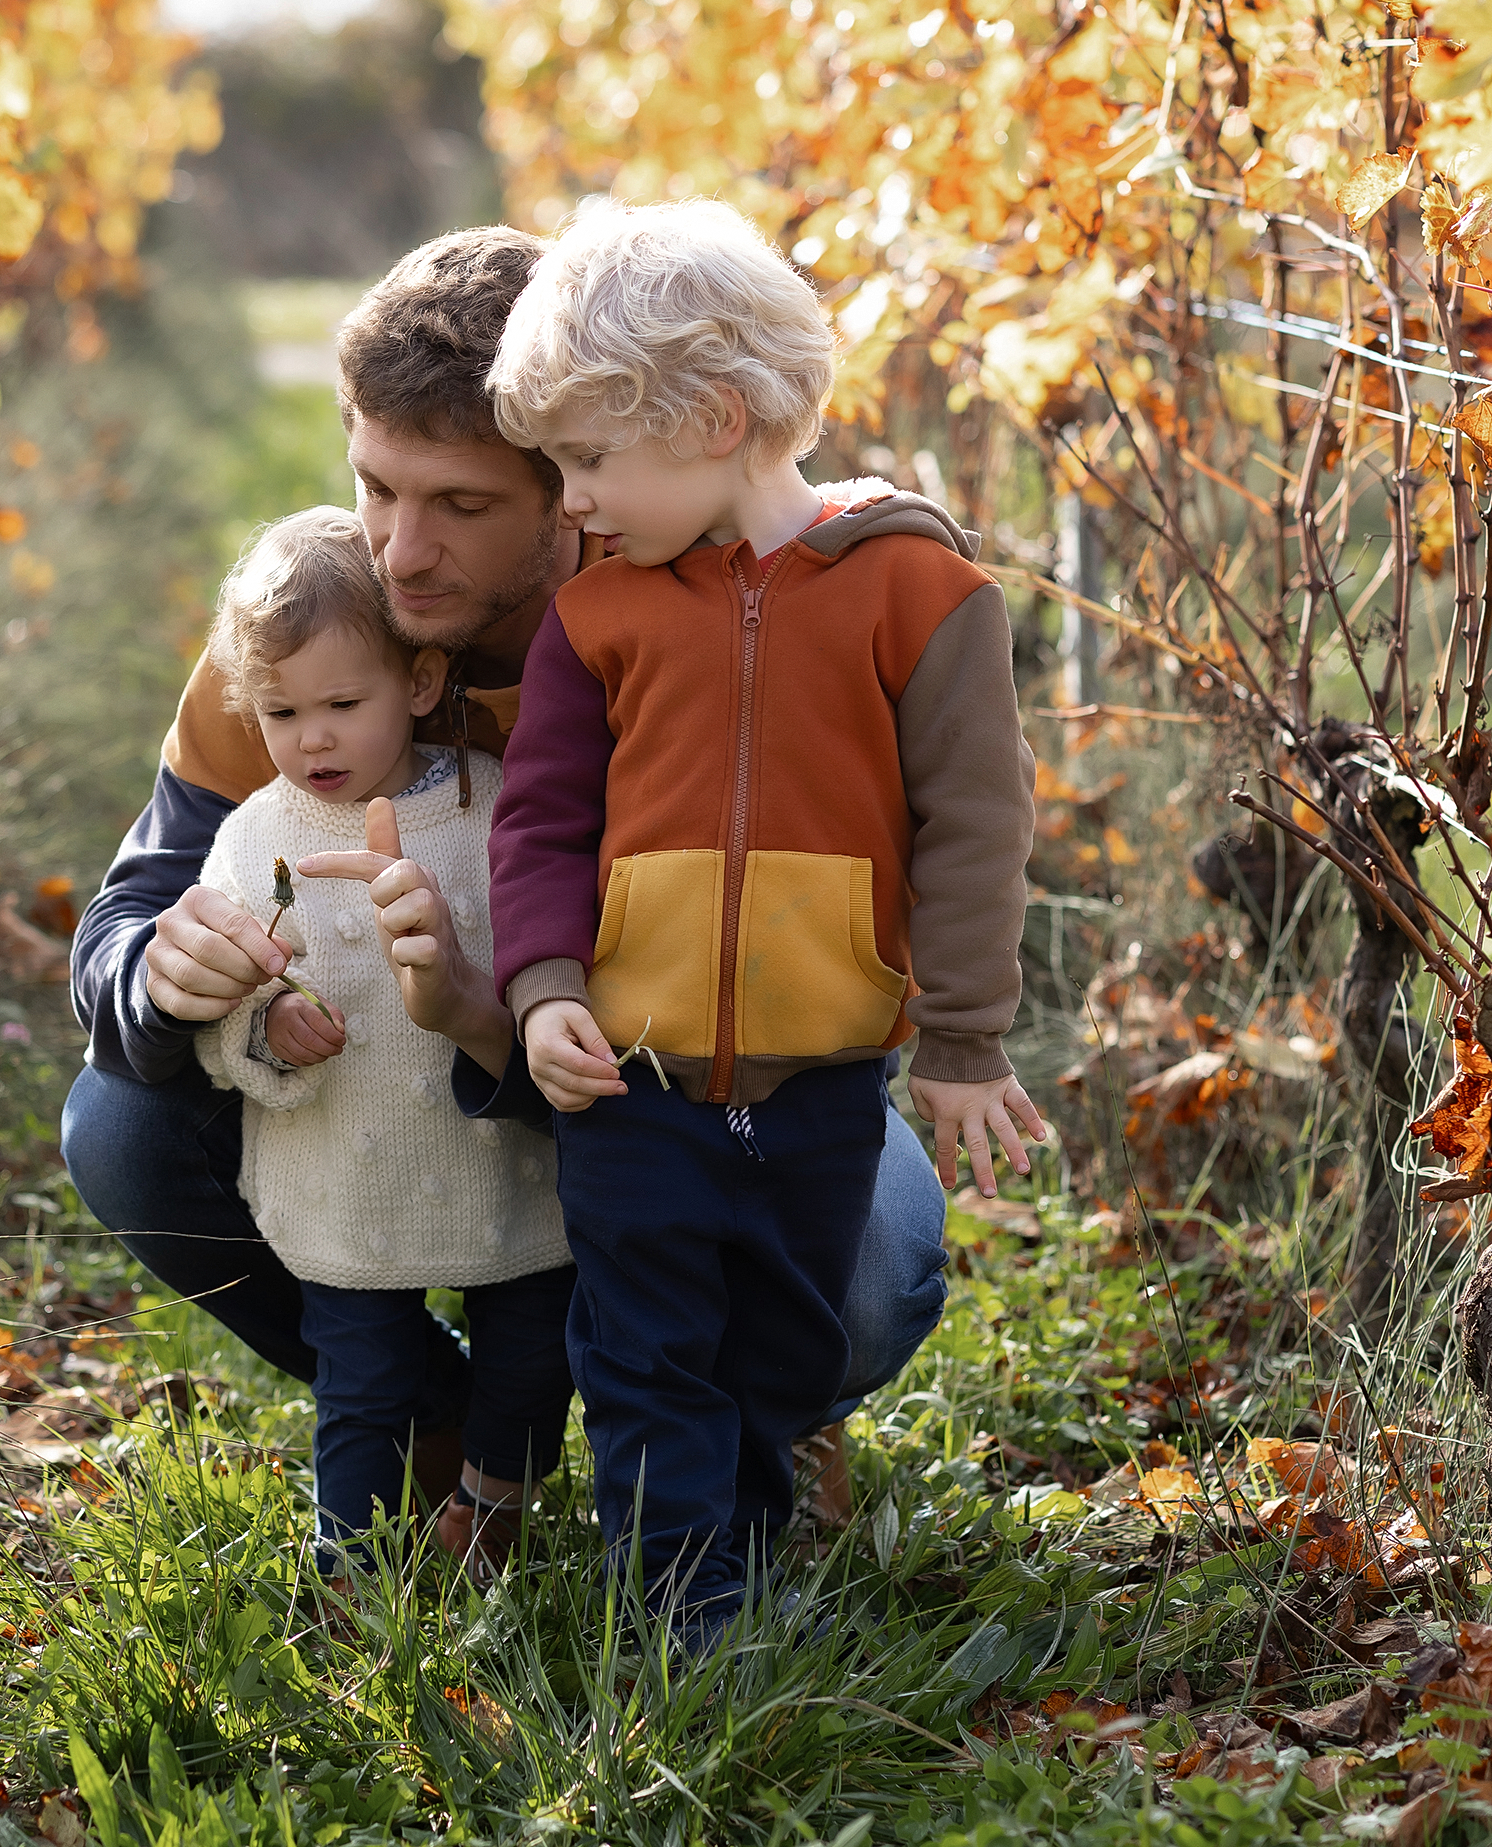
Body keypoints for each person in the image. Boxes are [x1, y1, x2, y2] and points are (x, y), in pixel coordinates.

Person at [64, 225, 952, 1523]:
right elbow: (123, 920)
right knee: (121, 1131)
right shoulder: (300, 645)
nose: (399, 552)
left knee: (866, 1276)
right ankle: (437, 1416)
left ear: (571, 493)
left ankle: (750, 1414)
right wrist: (159, 971)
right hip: (370, 1093)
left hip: (663, 1083)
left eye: (461, 507)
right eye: (375, 487)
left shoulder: (701, 634)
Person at [484, 199, 1044, 1646]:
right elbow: (541, 820)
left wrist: (967, 1035)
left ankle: (749, 1530)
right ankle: (686, 1614)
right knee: (647, 1345)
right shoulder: (596, 619)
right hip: (636, 1077)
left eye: (591, 460)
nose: (574, 501)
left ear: (718, 416)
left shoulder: (923, 595)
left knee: (786, 1345)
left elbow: (978, 824)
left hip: (823, 1082)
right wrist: (546, 986)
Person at [189, 508, 574, 1581]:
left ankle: (493, 1510)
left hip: (505, 1165)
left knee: (530, 1356)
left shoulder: (488, 807)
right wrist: (265, 1025)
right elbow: (229, 987)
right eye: (279, 711)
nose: (311, 738)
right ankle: (350, 1573)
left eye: (341, 705)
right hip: (342, 1177)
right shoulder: (257, 840)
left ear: (417, 681)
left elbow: (546, 945)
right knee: (361, 1382)